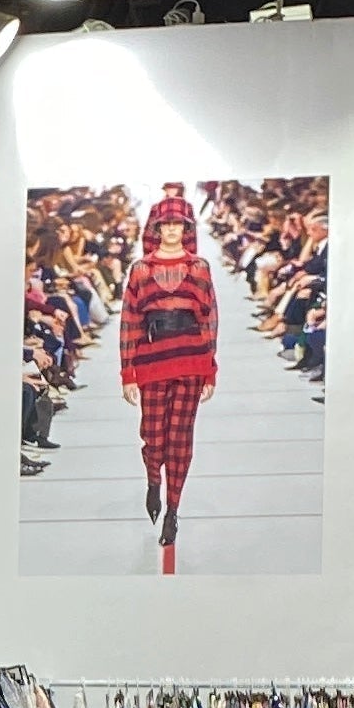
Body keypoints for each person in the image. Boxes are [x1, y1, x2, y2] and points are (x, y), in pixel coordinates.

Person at [116, 200, 219, 551]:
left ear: (186, 229)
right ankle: (153, 483)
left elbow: (209, 319)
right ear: (157, 229)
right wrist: (127, 372)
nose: (173, 229)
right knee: (152, 434)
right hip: (152, 359)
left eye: (179, 224)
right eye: (167, 224)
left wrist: (211, 369)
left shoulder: (200, 268)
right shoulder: (141, 270)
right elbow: (130, 321)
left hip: (192, 360)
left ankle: (173, 509)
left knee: (180, 439)